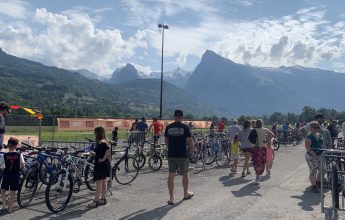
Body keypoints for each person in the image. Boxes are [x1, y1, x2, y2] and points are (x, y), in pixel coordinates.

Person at [165, 109, 194, 205]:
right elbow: (190, 141)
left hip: (172, 154)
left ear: (174, 116)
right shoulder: (185, 127)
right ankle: (186, 194)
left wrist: (171, 148)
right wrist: (192, 152)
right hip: (182, 154)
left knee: (171, 175)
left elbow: (166, 141)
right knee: (185, 174)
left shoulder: (168, 127)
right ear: (181, 117)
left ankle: (171, 198)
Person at [87, 127, 111, 208]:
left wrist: (102, 158)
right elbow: (105, 151)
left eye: (95, 133)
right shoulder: (104, 140)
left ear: (97, 133)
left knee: (98, 184)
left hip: (100, 165)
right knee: (103, 182)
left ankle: (95, 201)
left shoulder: (101, 142)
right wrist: (101, 157)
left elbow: (107, 151)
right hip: (104, 164)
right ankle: (103, 199)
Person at [0, 137, 24, 213]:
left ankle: (4, 205)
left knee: (3, 190)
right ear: (16, 145)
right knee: (12, 192)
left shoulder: (4, 155)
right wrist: (21, 169)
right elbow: (23, 164)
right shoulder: (19, 154)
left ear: (8, 145)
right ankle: (10, 208)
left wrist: (2, 169)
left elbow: (0, 164)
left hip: (7, 174)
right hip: (15, 175)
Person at [252, 119, 275, 184]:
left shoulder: (254, 130)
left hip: (255, 148)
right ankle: (259, 175)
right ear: (262, 123)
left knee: (256, 162)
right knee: (262, 162)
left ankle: (257, 175)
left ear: (256, 124)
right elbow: (272, 135)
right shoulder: (265, 129)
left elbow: (250, 138)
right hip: (263, 148)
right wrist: (267, 141)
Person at [304, 121, 323, 193]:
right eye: (316, 127)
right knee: (313, 170)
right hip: (311, 156)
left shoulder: (319, 135)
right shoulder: (309, 136)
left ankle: (317, 182)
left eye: (318, 127)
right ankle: (313, 186)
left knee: (323, 169)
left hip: (320, 155)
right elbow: (307, 147)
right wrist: (313, 153)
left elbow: (321, 144)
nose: (317, 128)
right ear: (311, 128)